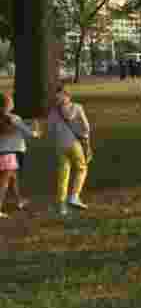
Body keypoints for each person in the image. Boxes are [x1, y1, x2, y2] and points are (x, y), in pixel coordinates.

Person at [47, 85, 92, 215]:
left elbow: (50, 130)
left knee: (63, 173)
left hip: (60, 145)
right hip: (74, 143)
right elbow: (86, 127)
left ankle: (62, 206)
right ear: (68, 95)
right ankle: (74, 196)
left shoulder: (53, 112)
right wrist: (86, 142)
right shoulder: (77, 107)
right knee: (82, 168)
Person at [0, 93, 40, 217]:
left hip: (2, 151)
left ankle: (18, 201)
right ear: (7, 104)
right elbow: (30, 133)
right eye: (10, 101)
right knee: (4, 183)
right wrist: (36, 129)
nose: (13, 102)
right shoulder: (13, 118)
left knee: (13, 178)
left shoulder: (5, 118)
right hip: (11, 153)